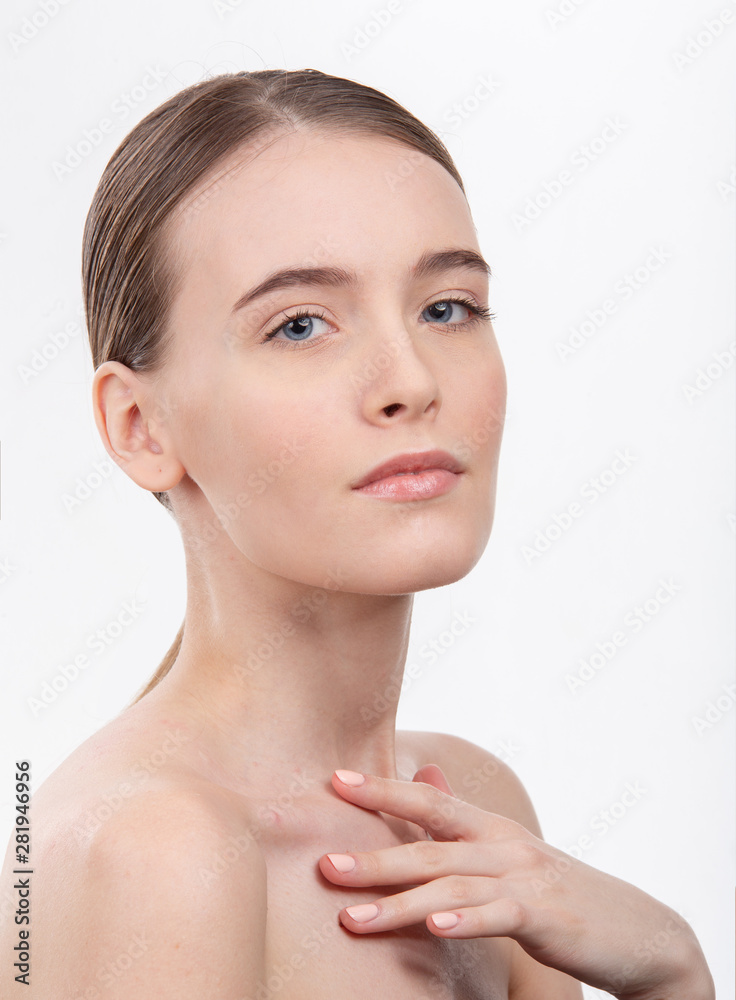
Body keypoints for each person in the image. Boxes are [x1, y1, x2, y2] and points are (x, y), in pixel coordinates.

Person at [0, 68, 714, 999]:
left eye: (447, 307)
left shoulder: (472, 806)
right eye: (300, 325)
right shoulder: (159, 849)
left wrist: (672, 971)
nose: (411, 380)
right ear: (141, 427)